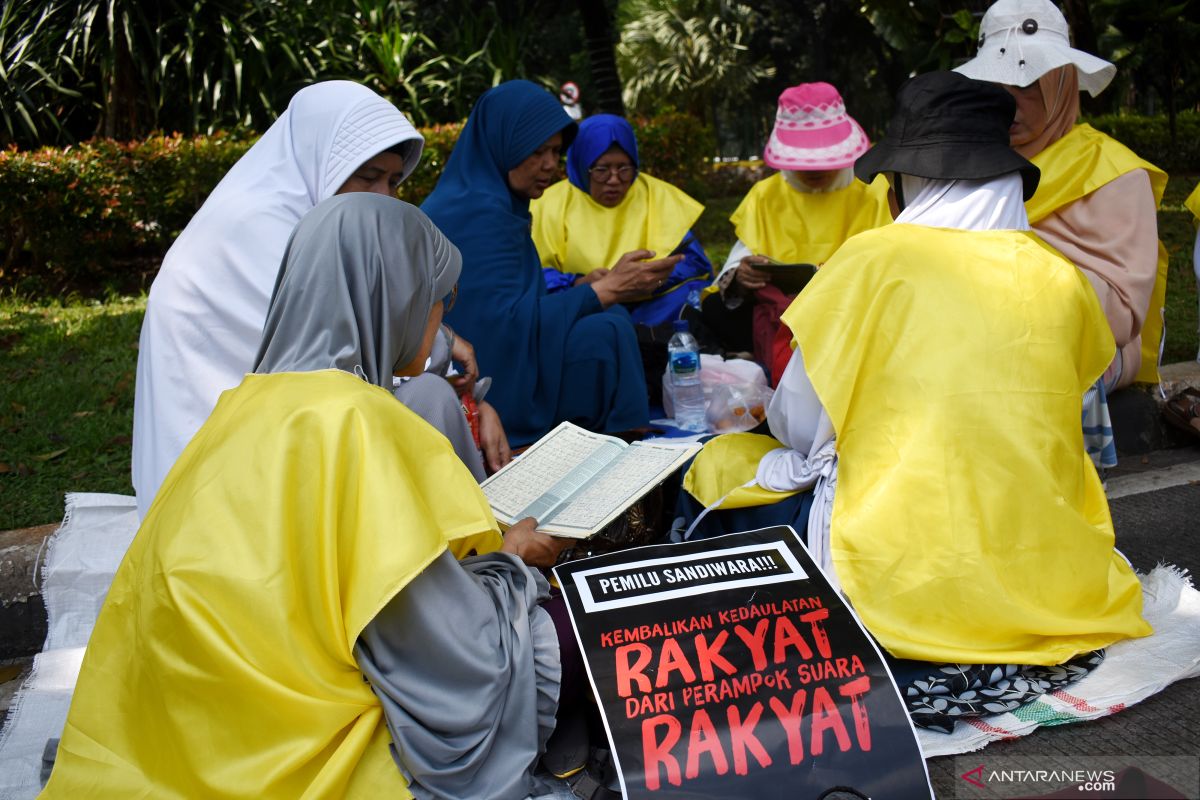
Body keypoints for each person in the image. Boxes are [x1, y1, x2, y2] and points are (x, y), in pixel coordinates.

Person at [42, 194, 576, 799]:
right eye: (438, 296)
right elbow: (448, 653)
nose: (439, 316)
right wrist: (514, 558)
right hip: (290, 746)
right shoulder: (354, 423)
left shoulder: (241, 403)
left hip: (175, 727)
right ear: (393, 292)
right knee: (553, 635)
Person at [674, 72, 1150, 730]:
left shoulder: (872, 261)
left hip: (904, 565)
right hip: (1043, 551)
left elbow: (801, 424)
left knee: (715, 466)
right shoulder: (1061, 278)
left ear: (905, 183)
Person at [132, 81, 508, 520]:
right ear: (322, 162)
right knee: (429, 401)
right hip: (224, 490)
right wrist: (452, 378)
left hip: (273, 442)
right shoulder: (261, 230)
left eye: (393, 181)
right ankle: (472, 543)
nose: (383, 197)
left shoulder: (299, 217)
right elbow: (353, 373)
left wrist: (442, 346)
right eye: (367, 177)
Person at [423, 80, 654, 446]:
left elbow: (516, 301)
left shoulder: (494, 201)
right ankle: (625, 449)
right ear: (503, 143)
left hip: (513, 351)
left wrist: (582, 290)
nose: (550, 165)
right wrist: (601, 291)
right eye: (538, 152)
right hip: (485, 374)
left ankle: (626, 450)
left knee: (609, 320)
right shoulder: (474, 212)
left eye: (556, 153)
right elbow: (496, 328)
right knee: (605, 333)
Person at [956, 0, 1169, 390]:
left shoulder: (1115, 173)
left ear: (1060, 84)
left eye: (1024, 85)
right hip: (969, 333)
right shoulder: (960, 163)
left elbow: (1121, 314)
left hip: (1088, 345)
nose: (1007, 102)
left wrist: (1008, 271)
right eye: (994, 85)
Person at [700, 82, 891, 375]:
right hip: (781, 309)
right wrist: (743, 274)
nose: (814, 170)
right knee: (715, 307)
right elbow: (738, 264)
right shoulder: (766, 195)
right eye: (805, 161)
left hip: (851, 303)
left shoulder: (874, 190)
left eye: (822, 159)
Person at [531, 113, 713, 327]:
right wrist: (579, 283)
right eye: (601, 170)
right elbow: (531, 273)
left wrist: (652, 279)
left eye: (624, 169)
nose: (615, 180)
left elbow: (696, 263)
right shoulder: (548, 204)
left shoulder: (657, 195)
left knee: (689, 298)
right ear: (582, 166)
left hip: (653, 303)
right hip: (585, 303)